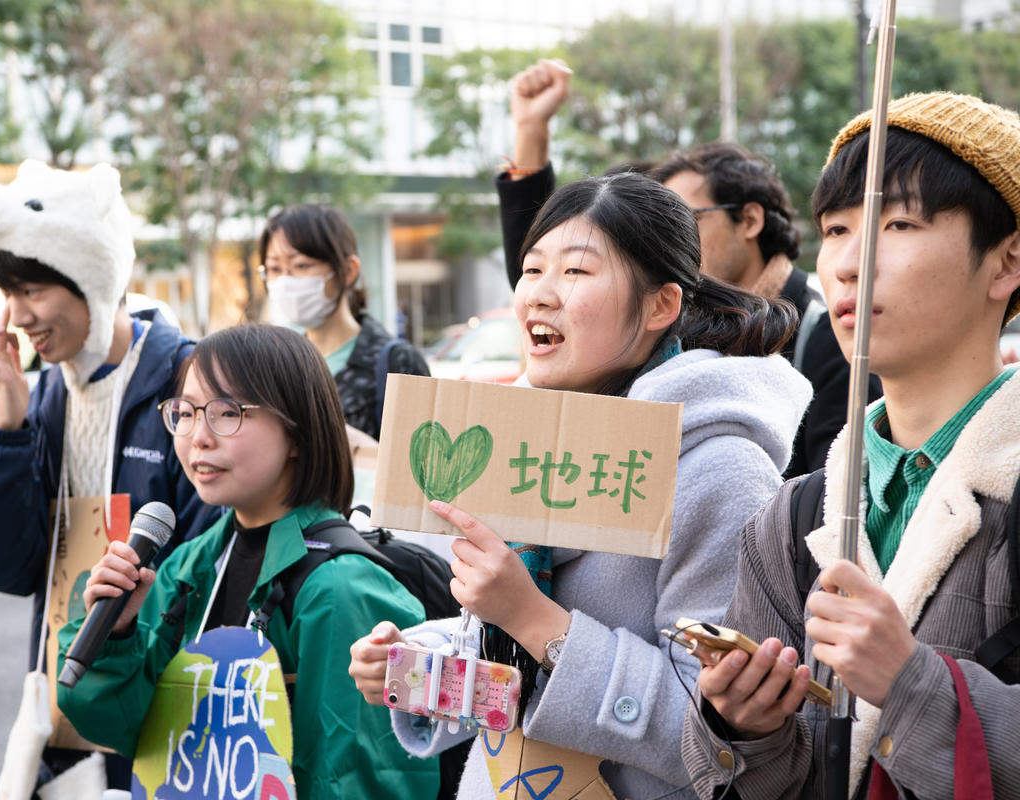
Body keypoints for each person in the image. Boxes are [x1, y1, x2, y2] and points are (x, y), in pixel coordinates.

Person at [349, 172, 812, 798]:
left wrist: (534, 618)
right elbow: (510, 679)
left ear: (660, 306)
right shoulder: (527, 437)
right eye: (532, 269)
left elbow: (714, 741)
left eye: (576, 272)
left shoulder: (720, 468)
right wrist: (414, 663)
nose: (538, 295)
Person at [681, 92, 1020, 799]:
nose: (848, 262)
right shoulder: (795, 515)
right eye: (836, 229)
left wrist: (911, 682)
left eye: (898, 222)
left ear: (1007, 262)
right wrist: (746, 727)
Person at [55, 323, 440, 799]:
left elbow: (363, 780)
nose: (198, 436)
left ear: (296, 431)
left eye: (227, 412)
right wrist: (116, 636)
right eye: (187, 412)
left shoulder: (341, 588)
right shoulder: (188, 567)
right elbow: (135, 734)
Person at [0, 160, 216, 787]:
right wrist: (6, 420)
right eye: (7, 295)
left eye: (32, 290)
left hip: (157, 687)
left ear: (91, 278)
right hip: (64, 686)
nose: (16, 316)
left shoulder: (189, 382)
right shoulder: (42, 396)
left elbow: (214, 560)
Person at [497, 58, 880, 478]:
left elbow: (836, 493)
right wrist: (530, 134)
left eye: (686, 217)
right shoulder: (655, 341)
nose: (541, 292)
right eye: (534, 272)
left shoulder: (821, 333)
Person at [259, 204, 429, 441]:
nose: (286, 281)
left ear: (348, 271)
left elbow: (419, 468)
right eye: (274, 268)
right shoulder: (279, 365)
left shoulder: (396, 362)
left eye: (301, 265)